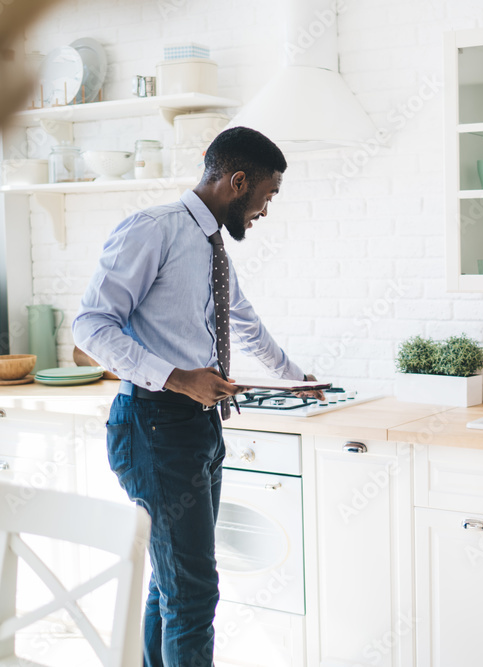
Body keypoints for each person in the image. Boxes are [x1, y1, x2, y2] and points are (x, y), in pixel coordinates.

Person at [73, 127, 319, 667]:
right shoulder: (153, 229)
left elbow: (244, 321)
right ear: (238, 182)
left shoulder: (211, 247)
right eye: (267, 196)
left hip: (199, 427)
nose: (265, 210)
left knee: (172, 584)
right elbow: (90, 326)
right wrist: (180, 378)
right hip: (154, 425)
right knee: (192, 594)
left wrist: (298, 379)